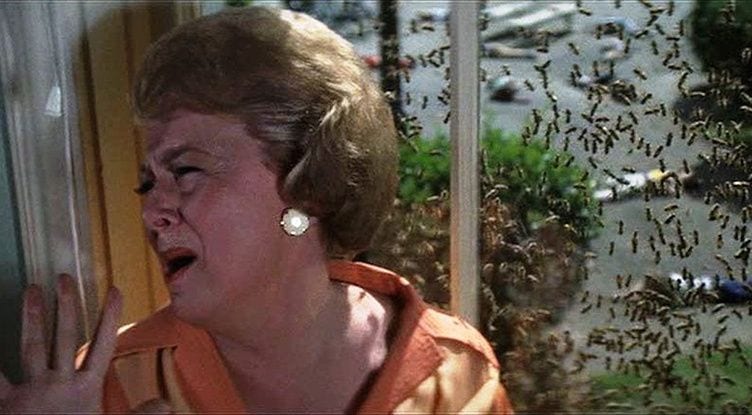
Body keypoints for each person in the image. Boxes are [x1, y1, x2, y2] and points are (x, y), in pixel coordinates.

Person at [0, 6, 513, 413]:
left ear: (309, 186)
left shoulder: (456, 377)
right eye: (146, 183)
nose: (152, 212)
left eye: (186, 171)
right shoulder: (105, 386)